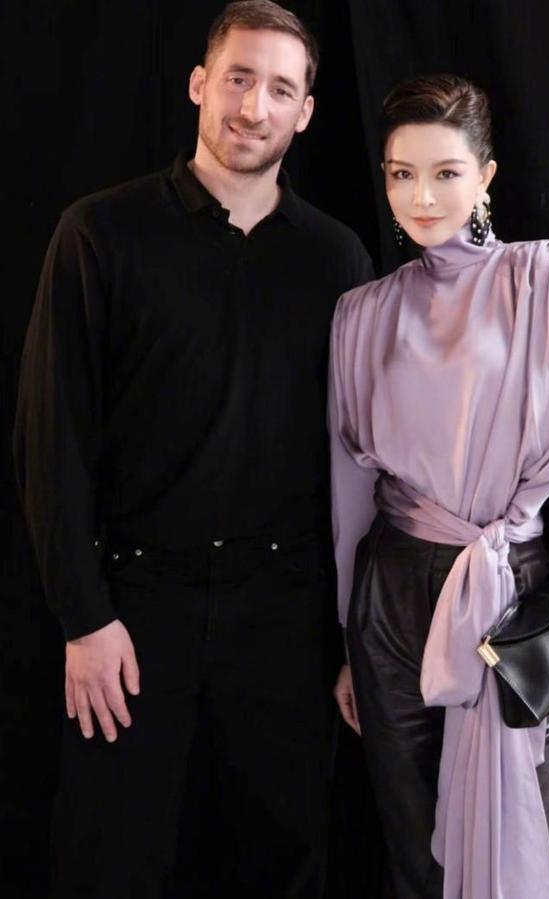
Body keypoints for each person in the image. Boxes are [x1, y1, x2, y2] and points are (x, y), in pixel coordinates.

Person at [13, 2, 373, 896]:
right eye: (238, 79)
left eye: (279, 89)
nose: (254, 107)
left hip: (285, 616)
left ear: (306, 113)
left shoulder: (336, 260)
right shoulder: (100, 232)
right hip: (134, 610)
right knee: (109, 860)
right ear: (199, 84)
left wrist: (353, 639)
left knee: (281, 862)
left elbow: (361, 460)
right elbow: (51, 437)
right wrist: (84, 617)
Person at [329, 73, 549, 899]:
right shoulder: (361, 315)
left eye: (446, 172)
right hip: (389, 597)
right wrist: (345, 638)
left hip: (511, 590)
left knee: (521, 821)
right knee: (411, 844)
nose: (422, 196)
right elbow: (349, 497)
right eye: (402, 174)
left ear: (486, 174)